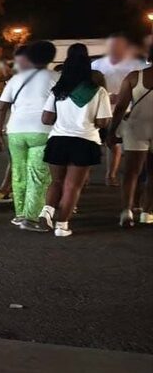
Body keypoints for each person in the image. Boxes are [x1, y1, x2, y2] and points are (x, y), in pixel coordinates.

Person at [38, 42, 112, 237]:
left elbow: (46, 118)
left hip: (58, 140)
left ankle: (47, 211)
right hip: (84, 141)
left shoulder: (58, 90)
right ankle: (62, 226)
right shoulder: (98, 91)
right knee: (72, 186)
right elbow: (103, 121)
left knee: (56, 182)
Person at [0, 41, 56, 229]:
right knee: (37, 175)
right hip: (43, 130)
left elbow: (2, 106)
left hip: (16, 130)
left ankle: (19, 214)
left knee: (19, 173)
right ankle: (31, 217)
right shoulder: (55, 77)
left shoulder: (17, 79)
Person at [92, 33, 149, 184]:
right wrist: (105, 97)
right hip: (100, 111)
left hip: (126, 112)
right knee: (96, 144)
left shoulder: (135, 65)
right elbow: (92, 84)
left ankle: (111, 175)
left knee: (115, 146)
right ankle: (87, 177)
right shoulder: (97, 64)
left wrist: (123, 97)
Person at [109, 57, 153, 226]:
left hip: (136, 126)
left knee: (131, 172)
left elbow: (121, 107)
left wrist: (112, 131)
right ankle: (147, 212)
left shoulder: (134, 77)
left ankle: (126, 211)